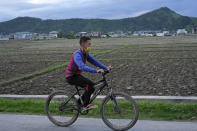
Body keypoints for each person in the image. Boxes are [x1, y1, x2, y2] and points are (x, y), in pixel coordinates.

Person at [66, 36, 110, 110]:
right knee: (89, 86)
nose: (90, 45)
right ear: (83, 44)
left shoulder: (85, 53)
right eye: (89, 44)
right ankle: (85, 105)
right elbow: (82, 67)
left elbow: (94, 61)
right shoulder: (77, 55)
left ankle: (79, 104)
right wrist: (96, 70)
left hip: (76, 75)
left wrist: (106, 68)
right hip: (71, 77)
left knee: (91, 87)